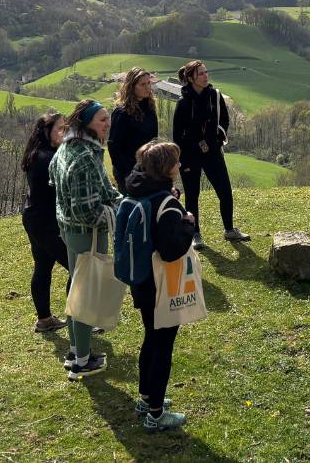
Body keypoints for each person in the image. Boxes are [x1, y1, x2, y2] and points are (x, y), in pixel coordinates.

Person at [121, 141, 197, 431]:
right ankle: (156, 413)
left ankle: (146, 398)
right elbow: (170, 249)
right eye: (176, 163)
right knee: (163, 344)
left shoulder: (138, 190)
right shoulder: (166, 204)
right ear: (167, 168)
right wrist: (188, 223)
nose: (179, 166)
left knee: (150, 338)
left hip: (141, 280)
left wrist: (171, 197)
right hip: (161, 285)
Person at [49, 98, 122, 380]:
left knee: (78, 289)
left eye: (108, 119)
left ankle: (76, 350)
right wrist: (114, 211)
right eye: (102, 120)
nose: (108, 124)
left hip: (69, 229)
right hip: (85, 234)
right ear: (87, 124)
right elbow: (87, 211)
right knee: (86, 294)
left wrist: (120, 200)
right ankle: (81, 361)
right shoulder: (83, 157)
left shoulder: (69, 146)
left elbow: (55, 179)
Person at [171, 60, 248, 248]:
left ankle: (229, 230)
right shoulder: (183, 103)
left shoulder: (215, 96)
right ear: (191, 78)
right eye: (201, 74)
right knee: (192, 195)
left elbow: (224, 121)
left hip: (213, 153)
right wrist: (191, 149)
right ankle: (195, 234)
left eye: (206, 72)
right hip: (190, 155)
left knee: (225, 191)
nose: (206, 76)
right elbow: (177, 135)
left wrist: (216, 141)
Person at [20, 111, 69, 334]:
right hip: (46, 222)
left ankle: (44, 319)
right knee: (78, 268)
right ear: (46, 131)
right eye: (60, 128)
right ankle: (80, 319)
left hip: (35, 218)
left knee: (43, 266)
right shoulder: (47, 158)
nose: (65, 132)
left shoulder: (38, 153)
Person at [108, 67, 159, 192]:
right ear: (132, 87)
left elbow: (154, 141)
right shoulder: (121, 112)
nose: (148, 88)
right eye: (143, 84)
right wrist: (130, 171)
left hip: (148, 169)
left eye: (149, 83)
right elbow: (114, 147)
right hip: (128, 172)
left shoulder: (150, 110)